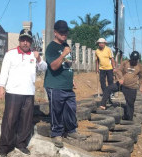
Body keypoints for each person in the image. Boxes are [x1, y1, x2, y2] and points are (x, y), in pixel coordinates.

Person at [0, 29, 47, 157]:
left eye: (28, 40)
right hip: (13, 92)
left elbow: (44, 68)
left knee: (26, 121)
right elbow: (4, 71)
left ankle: (21, 144)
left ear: (31, 42)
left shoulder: (34, 55)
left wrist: (39, 58)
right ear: (19, 40)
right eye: (23, 40)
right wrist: (1, 87)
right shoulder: (10, 54)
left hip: (29, 93)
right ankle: (4, 147)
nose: (25, 43)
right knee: (10, 120)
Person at [44, 20, 86, 148]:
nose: (64, 34)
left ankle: (71, 131)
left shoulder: (66, 46)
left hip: (67, 85)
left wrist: (70, 77)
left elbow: (66, 65)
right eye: (61, 32)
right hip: (55, 85)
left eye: (66, 32)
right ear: (55, 33)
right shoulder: (51, 47)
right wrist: (63, 54)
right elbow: (53, 66)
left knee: (71, 109)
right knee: (56, 111)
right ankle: (56, 133)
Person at [99, 51, 142, 121]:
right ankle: (103, 104)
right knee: (108, 88)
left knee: (130, 104)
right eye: (132, 60)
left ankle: (128, 118)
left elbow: (141, 77)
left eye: (135, 60)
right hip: (121, 85)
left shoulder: (139, 67)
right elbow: (119, 70)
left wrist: (141, 87)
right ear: (130, 58)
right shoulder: (125, 63)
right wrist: (121, 78)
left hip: (131, 87)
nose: (133, 61)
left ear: (137, 60)